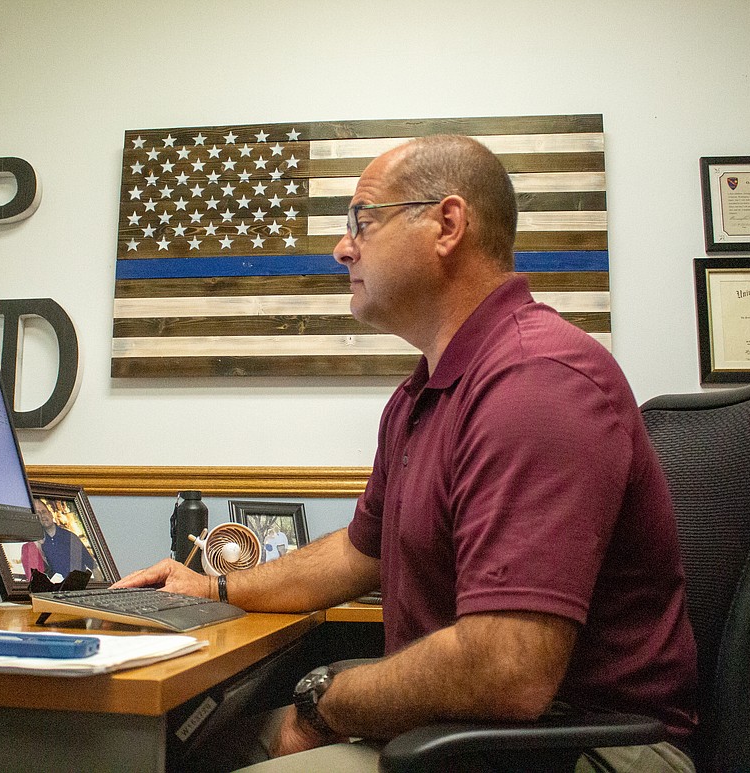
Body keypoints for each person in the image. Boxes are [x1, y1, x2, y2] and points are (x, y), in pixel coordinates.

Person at [114, 135, 697, 772]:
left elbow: (507, 669)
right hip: (477, 730)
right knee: (192, 745)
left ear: (447, 225)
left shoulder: (535, 380)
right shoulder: (427, 392)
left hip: (586, 747)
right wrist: (214, 587)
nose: (341, 248)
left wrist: (325, 705)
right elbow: (359, 552)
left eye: (363, 220)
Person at [31, 498, 95, 578]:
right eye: (38, 513)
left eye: (43, 511)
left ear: (50, 514)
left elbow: (93, 567)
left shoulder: (70, 537)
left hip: (77, 587)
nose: (42, 515)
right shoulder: (38, 543)